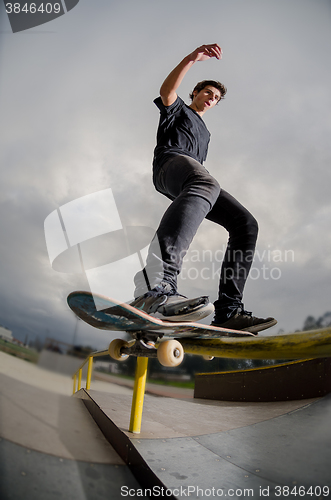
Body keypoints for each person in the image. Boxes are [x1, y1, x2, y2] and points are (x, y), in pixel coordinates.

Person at [131, 43, 276, 333]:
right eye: (207, 92)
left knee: (245, 223)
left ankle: (228, 310)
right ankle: (156, 284)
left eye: (217, 97)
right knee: (205, 181)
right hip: (169, 164)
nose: (212, 97)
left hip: (195, 179)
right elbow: (167, 92)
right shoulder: (178, 110)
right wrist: (191, 59)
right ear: (195, 93)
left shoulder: (205, 133)